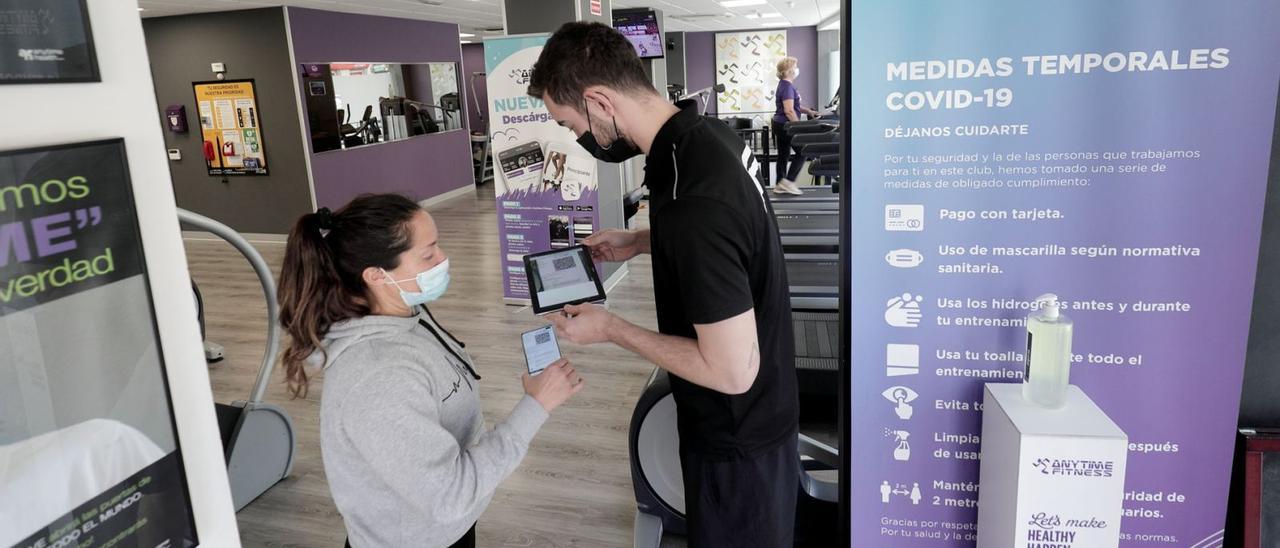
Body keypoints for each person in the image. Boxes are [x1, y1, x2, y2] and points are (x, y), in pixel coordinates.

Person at [527, 22, 800, 547]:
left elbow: (731, 372)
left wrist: (611, 329)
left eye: (568, 122)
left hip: (737, 436)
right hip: (767, 409)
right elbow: (733, 236)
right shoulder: (706, 138)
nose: (575, 138)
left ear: (599, 101)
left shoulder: (693, 197)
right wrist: (642, 241)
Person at [276, 194, 585, 548]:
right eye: (428, 254)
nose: (443, 259)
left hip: (442, 528)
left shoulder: (403, 314)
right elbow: (448, 496)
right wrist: (536, 406)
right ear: (376, 275)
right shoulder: (377, 377)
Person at [771, 56, 821, 195]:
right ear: (788, 71)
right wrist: (800, 128)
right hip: (785, 125)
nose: (796, 69)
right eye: (794, 67)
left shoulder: (784, 84)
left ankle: (779, 184)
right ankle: (789, 181)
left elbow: (794, 105)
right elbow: (789, 110)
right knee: (804, 150)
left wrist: (808, 111)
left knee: (783, 154)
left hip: (778, 123)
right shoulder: (787, 86)